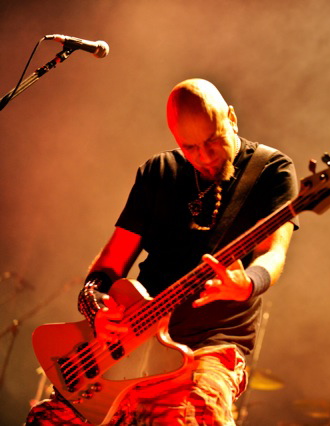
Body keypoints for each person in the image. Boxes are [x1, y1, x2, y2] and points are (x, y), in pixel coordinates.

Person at [26, 78, 298, 425]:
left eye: (213, 141)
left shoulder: (270, 170)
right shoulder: (158, 172)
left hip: (211, 346)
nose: (205, 157)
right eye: (190, 148)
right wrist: (96, 308)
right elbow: (109, 264)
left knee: (191, 412)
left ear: (231, 118)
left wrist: (247, 284)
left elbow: (274, 252)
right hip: (131, 342)